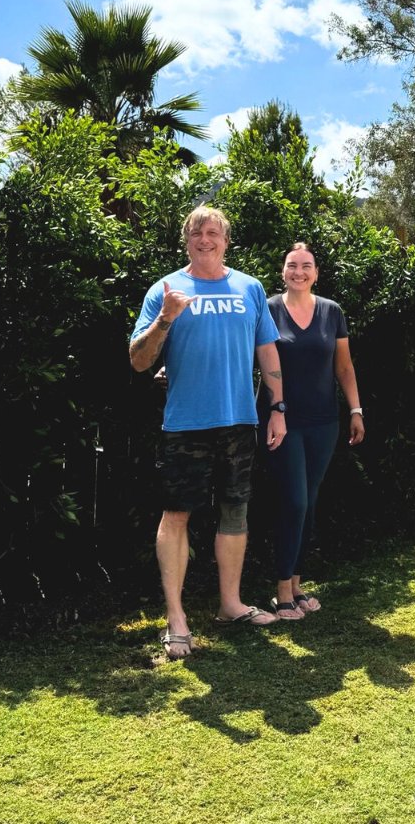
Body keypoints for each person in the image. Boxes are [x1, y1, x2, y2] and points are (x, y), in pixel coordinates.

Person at [130, 206, 287, 659]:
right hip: (185, 424)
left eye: (213, 232)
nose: (205, 238)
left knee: (235, 511)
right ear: (186, 240)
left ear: (226, 241)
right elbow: (139, 361)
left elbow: (268, 354)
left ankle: (230, 605)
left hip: (239, 420)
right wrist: (166, 319)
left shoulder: (250, 288)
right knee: (176, 515)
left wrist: (277, 408)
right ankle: (176, 619)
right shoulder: (166, 290)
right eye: (197, 232)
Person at [259, 242, 364, 620]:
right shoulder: (267, 309)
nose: (299, 272)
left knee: (310, 503)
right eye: (292, 266)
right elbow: (245, 355)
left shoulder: (331, 311)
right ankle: (282, 589)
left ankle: (298, 583)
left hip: (324, 423)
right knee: (295, 502)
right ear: (283, 272)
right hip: (282, 421)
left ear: (316, 273)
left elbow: (345, 367)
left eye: (306, 266)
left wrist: (355, 409)